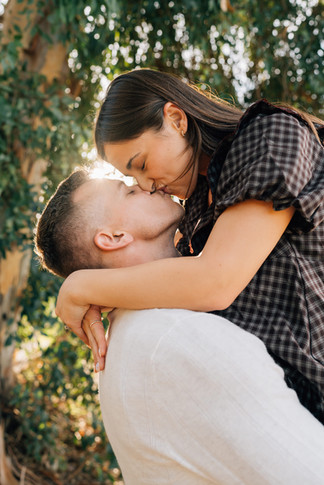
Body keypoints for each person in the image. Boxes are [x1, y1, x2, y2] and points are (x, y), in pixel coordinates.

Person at [55, 69, 324, 423]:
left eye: (141, 165)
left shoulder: (270, 138)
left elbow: (216, 281)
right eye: (130, 178)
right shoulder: (195, 213)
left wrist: (80, 286)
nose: (145, 185)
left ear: (176, 119)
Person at [35, 169, 324, 484]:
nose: (147, 184)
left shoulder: (141, 336)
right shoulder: (175, 337)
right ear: (114, 237)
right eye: (129, 191)